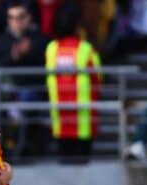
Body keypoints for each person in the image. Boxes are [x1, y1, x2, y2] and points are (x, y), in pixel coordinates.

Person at [45, 3, 101, 162]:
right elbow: (98, 77)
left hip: (60, 117)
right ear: (78, 26)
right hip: (84, 118)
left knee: (64, 164)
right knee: (83, 166)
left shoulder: (51, 48)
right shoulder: (86, 49)